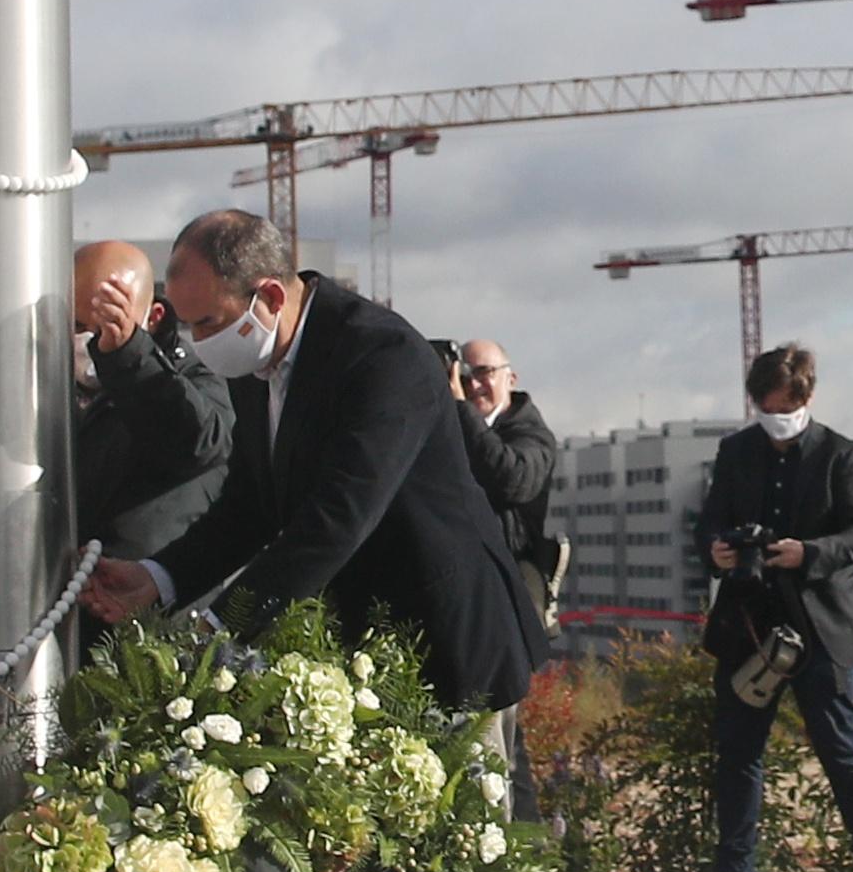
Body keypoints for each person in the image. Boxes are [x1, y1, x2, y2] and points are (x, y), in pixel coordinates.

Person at [81, 211, 543, 713]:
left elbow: (338, 515)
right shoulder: (253, 359)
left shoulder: (382, 354)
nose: (199, 342)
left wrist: (217, 627)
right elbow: (249, 506)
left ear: (270, 298)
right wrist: (158, 577)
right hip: (360, 649)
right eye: (190, 326)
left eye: (208, 322)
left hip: (449, 643)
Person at [691, 343, 853, 872]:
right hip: (750, 621)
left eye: (784, 410)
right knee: (738, 750)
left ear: (807, 398)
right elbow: (708, 522)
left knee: (839, 746)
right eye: (765, 410)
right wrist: (719, 550)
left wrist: (806, 552)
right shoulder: (736, 451)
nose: (774, 422)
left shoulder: (842, 454)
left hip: (823, 620)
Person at [76, 238, 234, 561]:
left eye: (107, 322)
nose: (89, 340)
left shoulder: (196, 377)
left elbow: (198, 442)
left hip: (151, 599)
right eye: (77, 325)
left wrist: (126, 355)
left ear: (152, 317)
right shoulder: (50, 388)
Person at [450, 340, 562, 623]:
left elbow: (511, 478)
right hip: (457, 585)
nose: (474, 386)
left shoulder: (533, 435)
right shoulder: (453, 427)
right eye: (465, 377)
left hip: (505, 594)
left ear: (510, 379)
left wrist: (463, 411)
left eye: (484, 372)